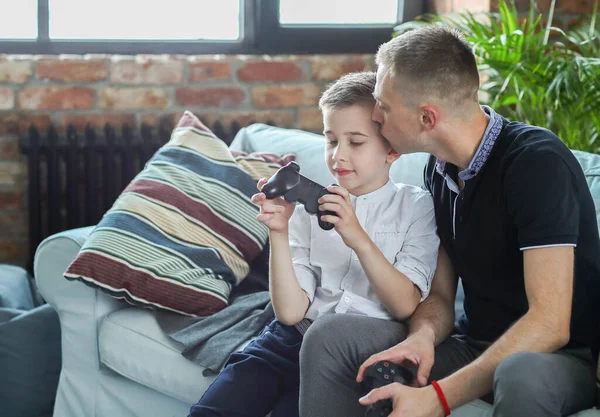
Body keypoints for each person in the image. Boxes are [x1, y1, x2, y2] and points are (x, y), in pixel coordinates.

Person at [298, 26, 600, 417]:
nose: (375, 116)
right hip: (470, 342)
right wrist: (422, 338)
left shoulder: (536, 163)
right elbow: (440, 296)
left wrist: (438, 398)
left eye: (384, 107)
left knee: (519, 373)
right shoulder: (438, 171)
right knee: (331, 336)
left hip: (557, 357)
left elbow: (550, 324)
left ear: (426, 117)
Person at [187, 71, 440, 417]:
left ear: (392, 148)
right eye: (331, 140)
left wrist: (357, 238)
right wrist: (278, 231)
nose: (338, 155)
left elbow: (404, 306)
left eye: (356, 142)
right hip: (288, 340)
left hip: (345, 358)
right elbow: (290, 312)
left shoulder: (417, 207)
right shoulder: (308, 211)